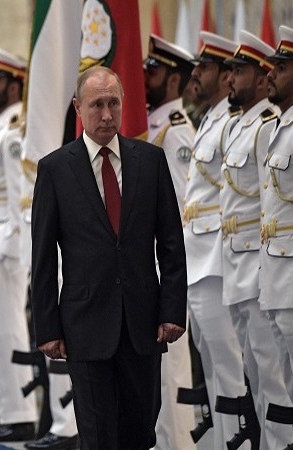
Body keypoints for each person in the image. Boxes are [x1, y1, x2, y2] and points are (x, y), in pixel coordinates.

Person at [31, 65, 187, 450]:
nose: (106, 114)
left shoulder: (150, 161)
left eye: (113, 103)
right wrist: (47, 327)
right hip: (85, 324)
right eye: (97, 104)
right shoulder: (55, 169)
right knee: (98, 434)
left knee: (138, 432)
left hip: (142, 324)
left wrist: (172, 309)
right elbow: (43, 255)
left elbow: (170, 242)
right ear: (78, 108)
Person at [218, 30, 293, 448]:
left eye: (240, 71)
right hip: (249, 266)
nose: (230, 79)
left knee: (279, 380)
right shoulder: (254, 126)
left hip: (274, 266)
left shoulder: (273, 127)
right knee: (261, 376)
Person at [181, 31, 247, 449]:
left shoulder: (235, 123)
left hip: (218, 262)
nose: (195, 76)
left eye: (203, 68)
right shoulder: (209, 121)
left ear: (225, 77)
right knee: (212, 365)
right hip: (198, 259)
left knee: (231, 366)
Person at [0, 47, 37, 443]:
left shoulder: (16, 127)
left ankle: (21, 412)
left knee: (11, 328)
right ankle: (4, 405)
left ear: (15, 84)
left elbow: (21, 193)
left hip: (7, 242)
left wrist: (23, 247)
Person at [143, 34, 196, 450]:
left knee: (173, 371)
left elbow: (179, 211)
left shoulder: (175, 133)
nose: (146, 77)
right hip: (150, 267)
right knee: (154, 374)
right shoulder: (152, 127)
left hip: (168, 266)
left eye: (154, 71)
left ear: (175, 81)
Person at [260, 25, 293, 449]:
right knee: (287, 385)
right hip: (276, 276)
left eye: (282, 68)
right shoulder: (279, 128)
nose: (271, 75)